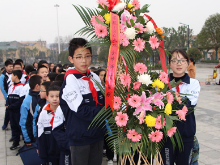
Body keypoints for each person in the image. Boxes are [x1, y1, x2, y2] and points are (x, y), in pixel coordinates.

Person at [59, 38, 105, 165]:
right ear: (71, 59)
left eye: (87, 56)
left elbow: (104, 101)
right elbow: (81, 111)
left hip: (97, 135)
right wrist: (108, 111)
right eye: (79, 57)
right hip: (80, 138)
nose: (84, 60)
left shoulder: (94, 77)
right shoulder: (71, 80)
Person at [160, 49, 201, 165]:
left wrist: (168, 103)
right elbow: (158, 105)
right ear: (169, 63)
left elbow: (189, 105)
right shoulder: (162, 83)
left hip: (186, 135)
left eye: (182, 60)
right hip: (166, 135)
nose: (179, 64)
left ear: (187, 63)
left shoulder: (194, 83)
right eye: (175, 60)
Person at [37, 85, 61, 164]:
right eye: (52, 96)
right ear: (47, 97)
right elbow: (40, 132)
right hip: (49, 150)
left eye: (57, 96)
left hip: (63, 150)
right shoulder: (43, 113)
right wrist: (40, 148)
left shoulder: (64, 111)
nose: (54, 99)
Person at [19, 75, 42, 146]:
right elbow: (23, 122)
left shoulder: (41, 97)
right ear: (37, 86)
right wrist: (27, 139)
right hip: (33, 137)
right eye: (42, 84)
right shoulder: (28, 101)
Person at [6, 70, 24, 150]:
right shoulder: (11, 86)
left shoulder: (21, 87)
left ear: (16, 76)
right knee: (13, 126)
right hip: (11, 110)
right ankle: (15, 141)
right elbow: (8, 97)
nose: (11, 77)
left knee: (19, 126)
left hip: (17, 110)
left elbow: (20, 101)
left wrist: (12, 106)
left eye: (12, 75)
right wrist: (7, 104)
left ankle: (25, 141)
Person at [1, 59, 13, 130]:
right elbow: (2, 88)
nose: (11, 68)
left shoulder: (14, 74)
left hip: (13, 95)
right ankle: (5, 124)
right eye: (9, 66)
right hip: (8, 97)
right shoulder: (3, 76)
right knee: (8, 110)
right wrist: (6, 97)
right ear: (5, 66)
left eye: (12, 66)